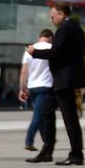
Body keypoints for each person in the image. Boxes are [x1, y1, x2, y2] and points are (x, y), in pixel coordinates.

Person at [48, 3, 85, 165]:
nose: (51, 20)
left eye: (52, 16)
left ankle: (76, 154)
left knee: (69, 118)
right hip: (69, 78)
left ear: (62, 14)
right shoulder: (76, 27)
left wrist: (34, 52)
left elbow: (56, 51)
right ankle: (51, 150)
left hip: (65, 79)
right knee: (54, 113)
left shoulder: (65, 28)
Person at [21, 29, 55, 157]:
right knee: (39, 115)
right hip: (45, 85)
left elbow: (24, 71)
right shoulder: (51, 48)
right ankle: (29, 141)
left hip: (32, 86)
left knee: (40, 114)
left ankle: (47, 140)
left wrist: (21, 88)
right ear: (50, 37)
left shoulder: (30, 49)